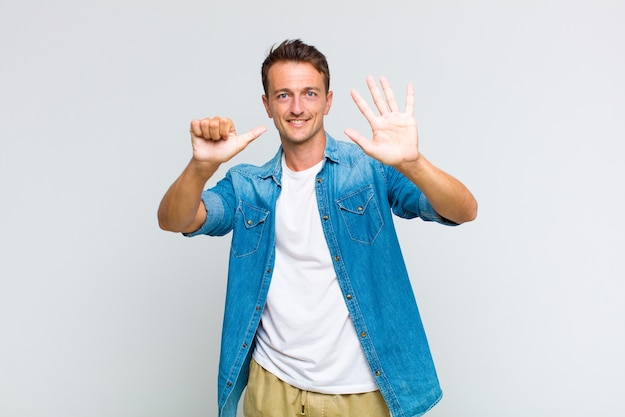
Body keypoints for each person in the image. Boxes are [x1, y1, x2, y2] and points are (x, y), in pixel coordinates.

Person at [158, 39, 477, 417]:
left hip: (360, 395)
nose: (297, 108)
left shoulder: (369, 169)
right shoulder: (249, 186)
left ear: (327, 101)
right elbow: (175, 219)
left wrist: (414, 163)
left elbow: (463, 210)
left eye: (309, 93)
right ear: (267, 104)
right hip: (272, 388)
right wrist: (200, 167)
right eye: (283, 95)